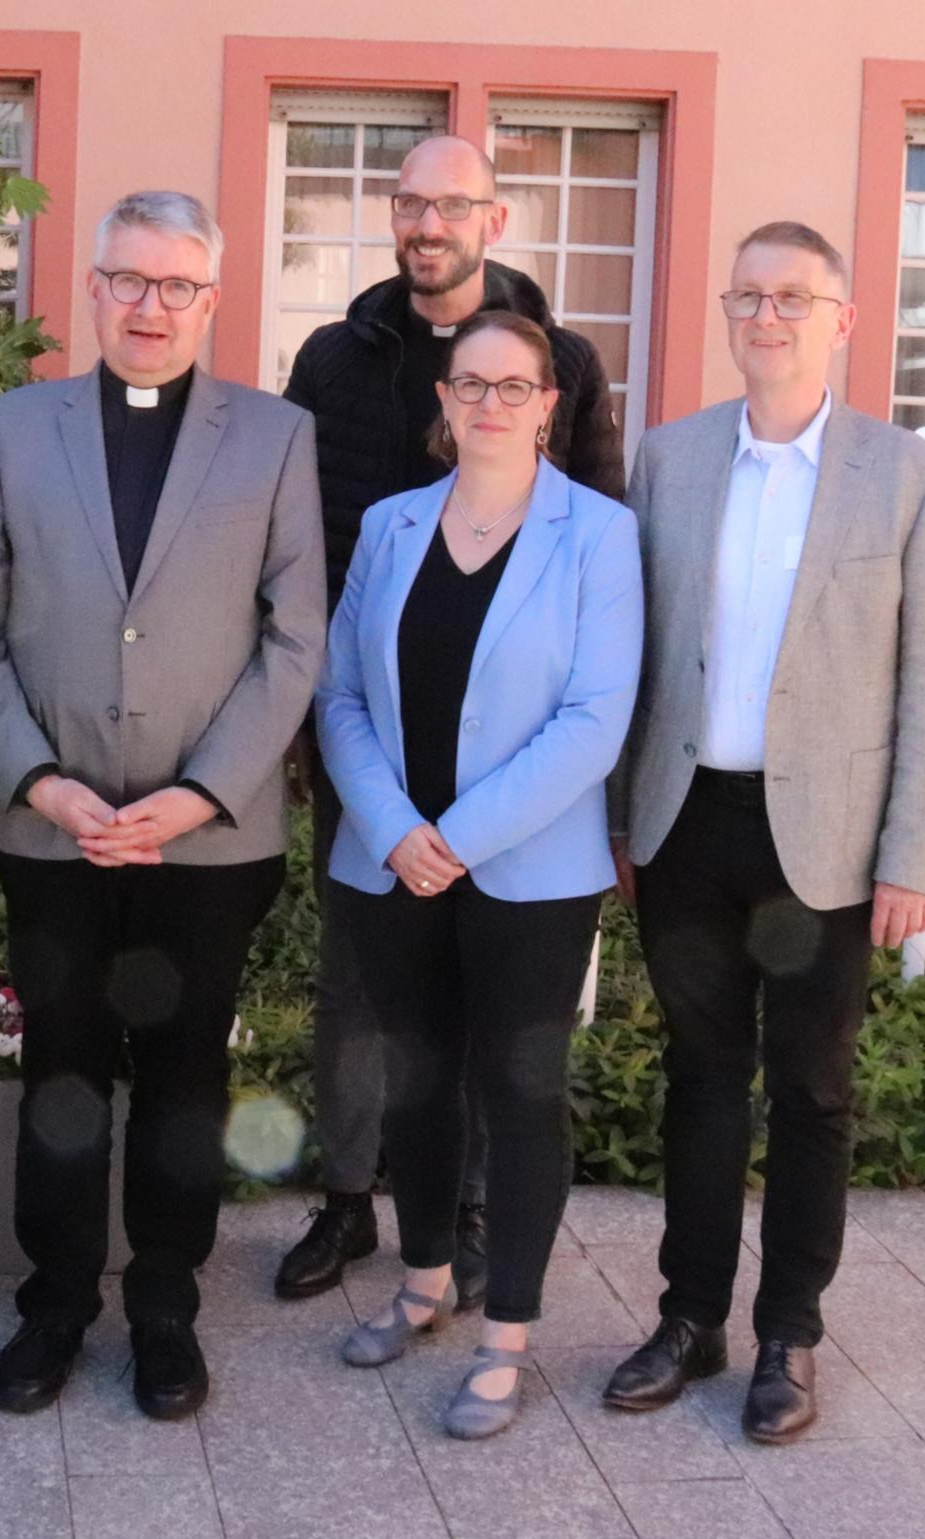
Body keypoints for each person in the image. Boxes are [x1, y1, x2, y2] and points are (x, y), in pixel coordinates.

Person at [0, 191, 326, 1421]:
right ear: (92, 287)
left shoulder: (273, 438)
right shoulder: (14, 426)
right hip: (49, 831)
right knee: (59, 1068)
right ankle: (54, 1303)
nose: (147, 306)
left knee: (179, 1078)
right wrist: (40, 780)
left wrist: (197, 793)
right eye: (125, 280)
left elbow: (294, 639)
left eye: (174, 286)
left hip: (207, 839)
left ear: (210, 300)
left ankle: (164, 1305)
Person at [602, 222, 925, 1443]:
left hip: (823, 833)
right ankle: (688, 1315)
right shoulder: (668, 458)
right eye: (747, 297)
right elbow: (634, 652)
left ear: (841, 318)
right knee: (699, 1079)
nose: (766, 318)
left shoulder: (905, 475)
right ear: (726, 312)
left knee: (811, 1090)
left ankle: (788, 1337)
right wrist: (618, 818)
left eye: (792, 299)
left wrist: (912, 854)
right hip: (687, 820)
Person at [274, 134, 626, 1306]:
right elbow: (292, 534)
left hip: (514, 774)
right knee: (356, 992)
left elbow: (595, 557)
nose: (427, 224)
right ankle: (347, 1207)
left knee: (487, 1018)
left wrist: (495, 818)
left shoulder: (557, 358)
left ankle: (468, 1219)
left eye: (451, 205)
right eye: (409, 203)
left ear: (494, 217)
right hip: (361, 727)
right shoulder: (333, 355)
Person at [318, 310, 641, 1438]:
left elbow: (594, 717)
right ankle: (420, 1281)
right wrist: (395, 825)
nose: (490, 404)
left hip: (529, 874)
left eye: (514, 386)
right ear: (442, 402)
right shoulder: (389, 524)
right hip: (388, 857)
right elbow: (339, 694)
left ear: (550, 402)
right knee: (413, 1074)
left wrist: (455, 833)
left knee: (517, 1094)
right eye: (470, 385)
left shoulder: (598, 535)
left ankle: (506, 1333)